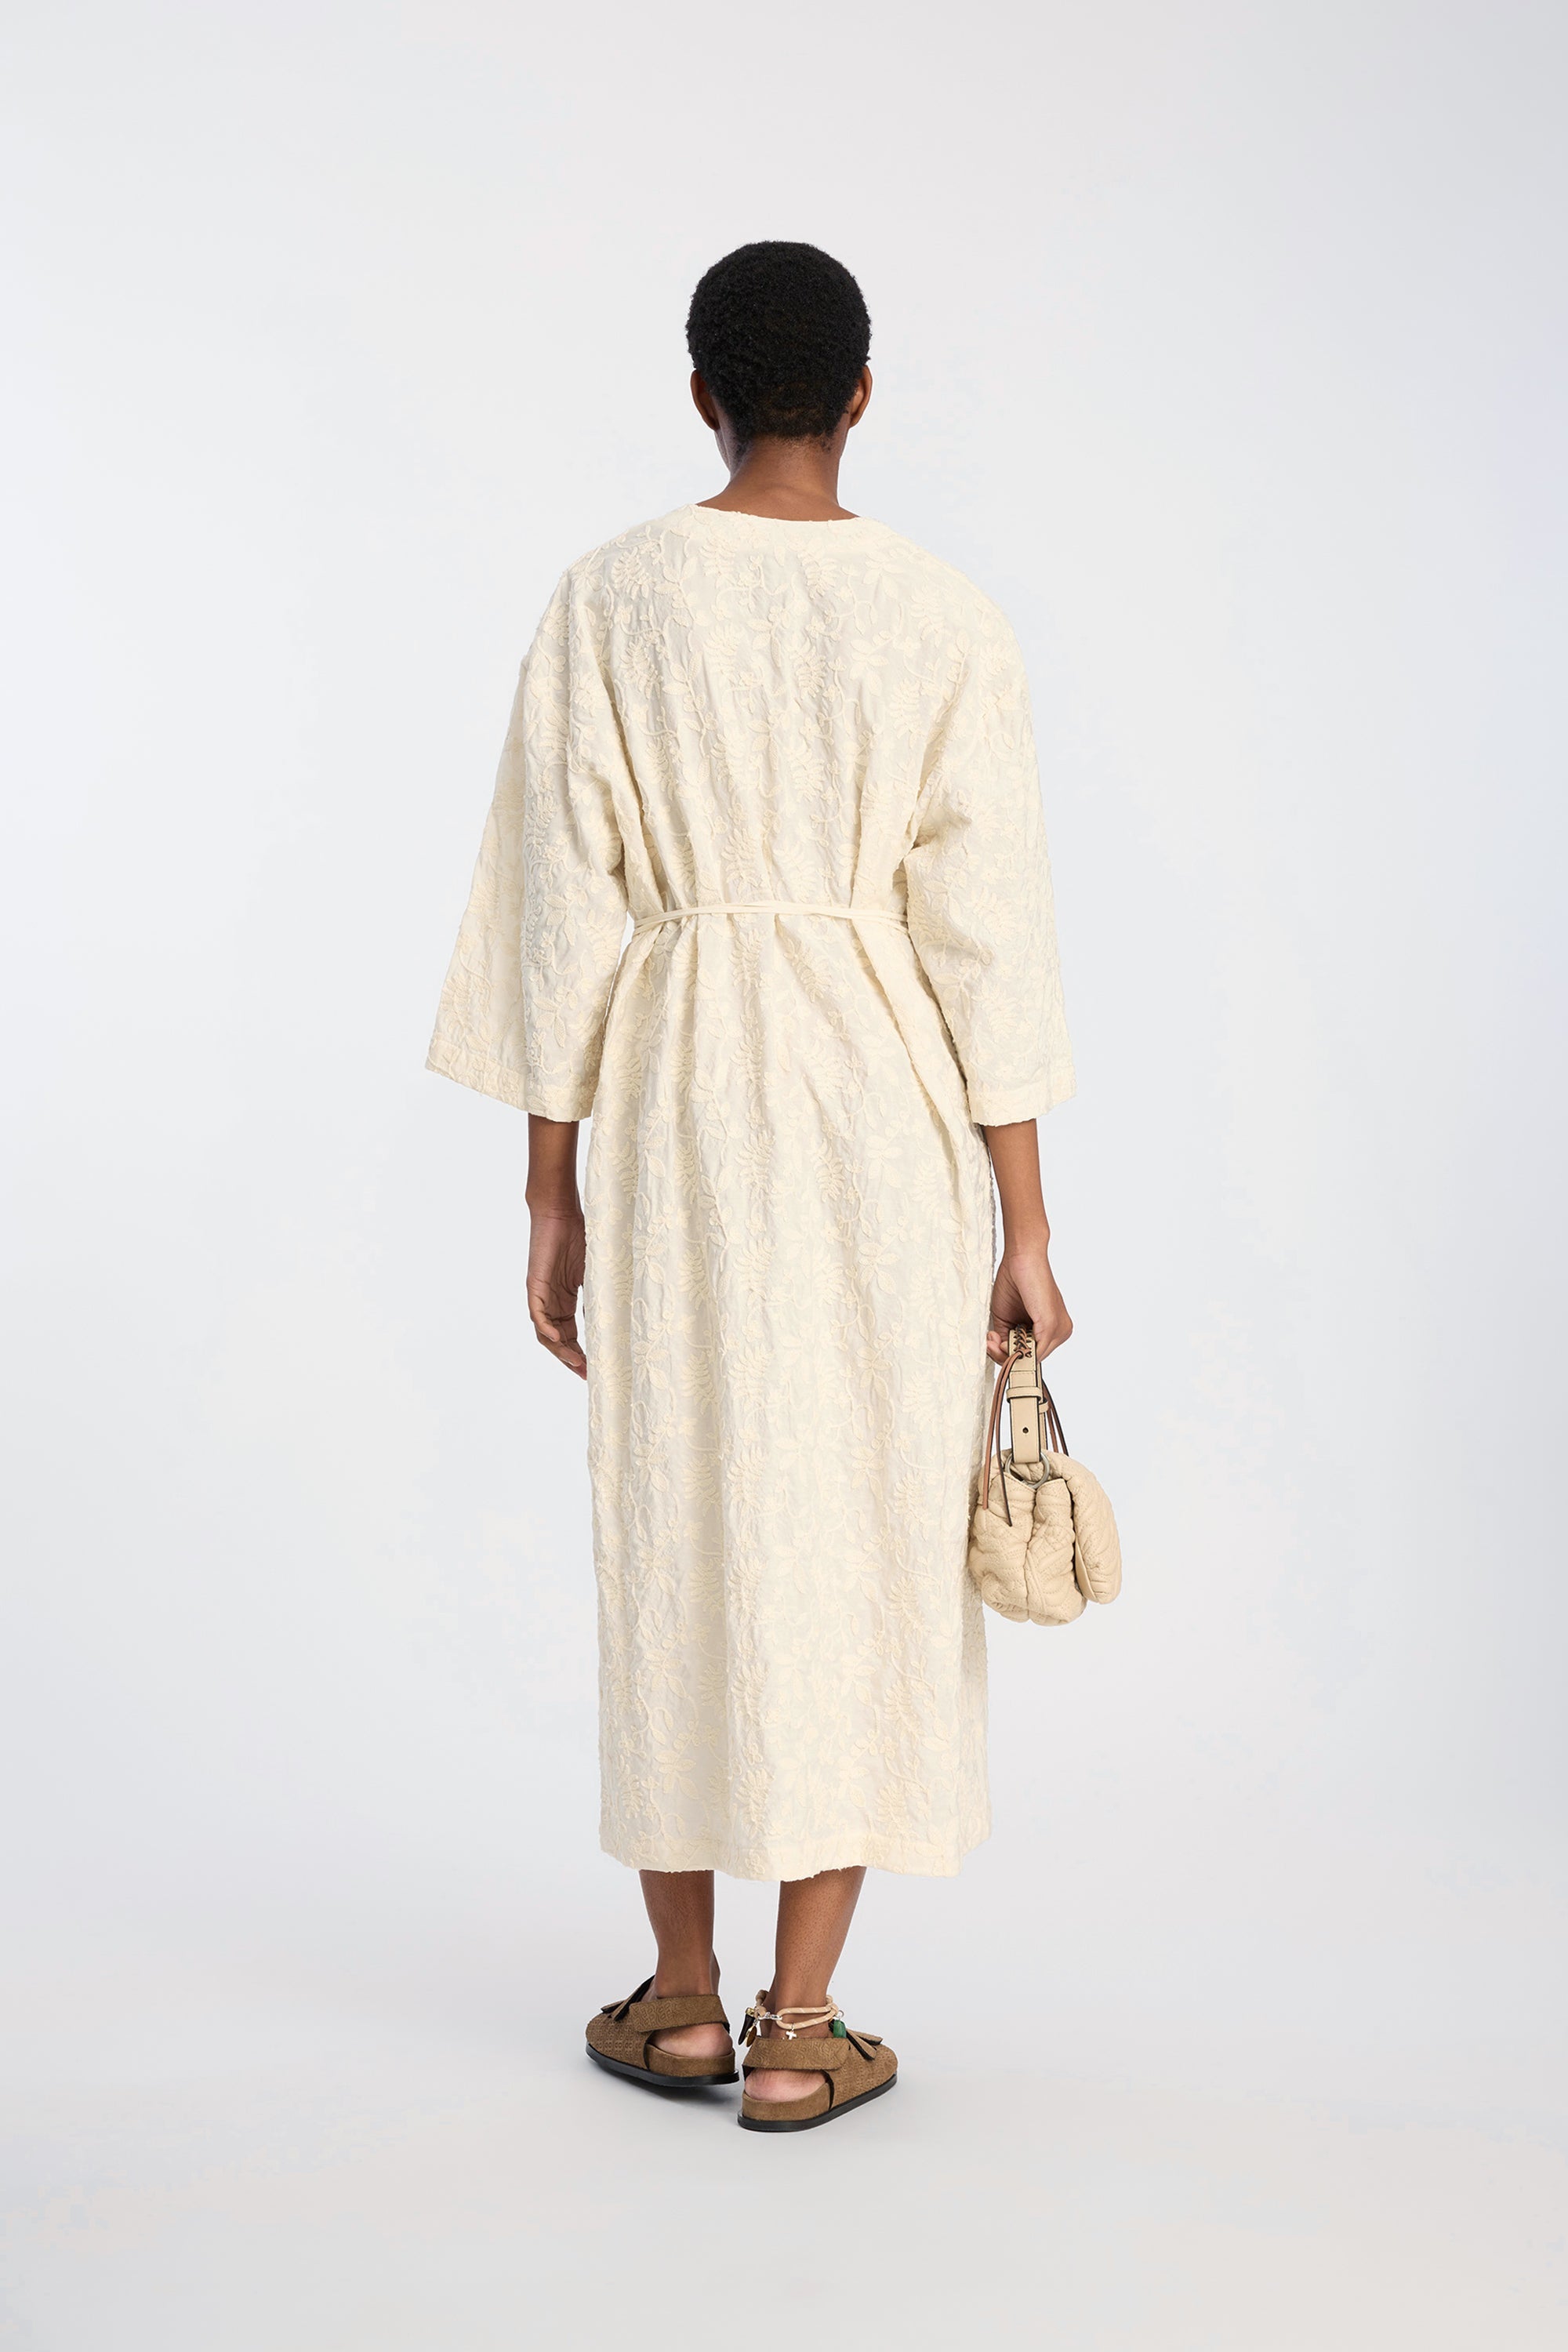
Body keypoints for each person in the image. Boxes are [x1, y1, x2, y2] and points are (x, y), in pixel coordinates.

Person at [428, 241, 1075, 2133]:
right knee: (862, 1518)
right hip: (883, 1109)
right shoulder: (943, 613)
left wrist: (550, 1189)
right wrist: (1026, 1222)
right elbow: (989, 937)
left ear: (701, 394)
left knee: (680, 1502)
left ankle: (683, 1997)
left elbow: (559, 909)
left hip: (678, 1101)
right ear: (861, 397)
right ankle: (804, 2026)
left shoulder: (613, 596)